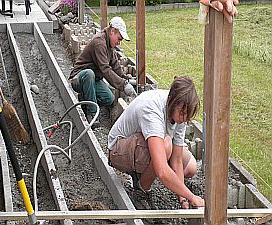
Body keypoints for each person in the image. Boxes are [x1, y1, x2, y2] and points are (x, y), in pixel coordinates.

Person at [108, 76, 204, 209]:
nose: (184, 119)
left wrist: (183, 198)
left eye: (187, 115)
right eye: (182, 114)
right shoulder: (152, 110)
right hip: (118, 150)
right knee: (166, 146)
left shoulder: (181, 111)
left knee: (190, 167)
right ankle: (141, 190)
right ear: (171, 101)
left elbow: (177, 160)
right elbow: (162, 171)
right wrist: (192, 196)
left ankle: (145, 173)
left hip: (143, 146)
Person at [69, 16, 136, 128]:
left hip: (93, 79)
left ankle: (85, 101)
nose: (119, 42)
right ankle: (92, 113)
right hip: (79, 78)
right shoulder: (99, 43)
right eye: (119, 38)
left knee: (109, 98)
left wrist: (126, 80)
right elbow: (105, 69)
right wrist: (123, 85)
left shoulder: (109, 45)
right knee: (89, 73)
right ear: (112, 31)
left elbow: (115, 65)